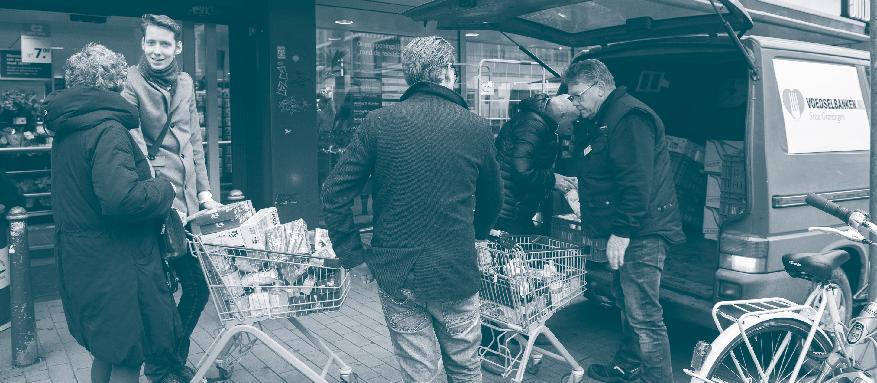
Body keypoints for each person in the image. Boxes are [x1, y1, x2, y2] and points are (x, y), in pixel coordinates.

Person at [322, 36, 502, 383]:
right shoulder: (475, 127)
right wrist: (474, 236)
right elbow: (494, 200)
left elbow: (333, 192)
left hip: (397, 271)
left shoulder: (378, 123)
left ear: (409, 77)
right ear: (448, 73)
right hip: (454, 268)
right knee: (465, 367)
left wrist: (353, 255)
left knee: (417, 374)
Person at [46, 43, 185, 383]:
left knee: (107, 350)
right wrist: (164, 189)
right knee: (128, 353)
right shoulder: (108, 130)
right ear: (113, 82)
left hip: (88, 258)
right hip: (118, 261)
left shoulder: (69, 128)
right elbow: (122, 199)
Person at [564, 59, 685, 383]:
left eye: (577, 95)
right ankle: (628, 365)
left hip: (642, 233)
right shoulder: (604, 119)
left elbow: (636, 182)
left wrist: (621, 233)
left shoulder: (629, 117)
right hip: (627, 231)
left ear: (599, 87)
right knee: (626, 303)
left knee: (644, 315)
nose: (574, 103)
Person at [121, 14, 220, 375]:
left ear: (177, 47)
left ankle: (169, 360)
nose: (157, 51)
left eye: (165, 44)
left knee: (193, 288)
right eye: (151, 43)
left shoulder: (185, 83)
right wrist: (155, 195)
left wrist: (206, 191)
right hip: (158, 205)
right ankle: (166, 364)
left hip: (188, 206)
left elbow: (194, 142)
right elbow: (132, 144)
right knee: (183, 288)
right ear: (142, 45)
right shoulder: (130, 83)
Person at [494, 93, 578, 234]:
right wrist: (552, 180)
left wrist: (557, 179)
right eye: (573, 122)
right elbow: (521, 170)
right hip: (508, 211)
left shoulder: (535, 121)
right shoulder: (533, 125)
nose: (572, 127)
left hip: (509, 208)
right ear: (562, 116)